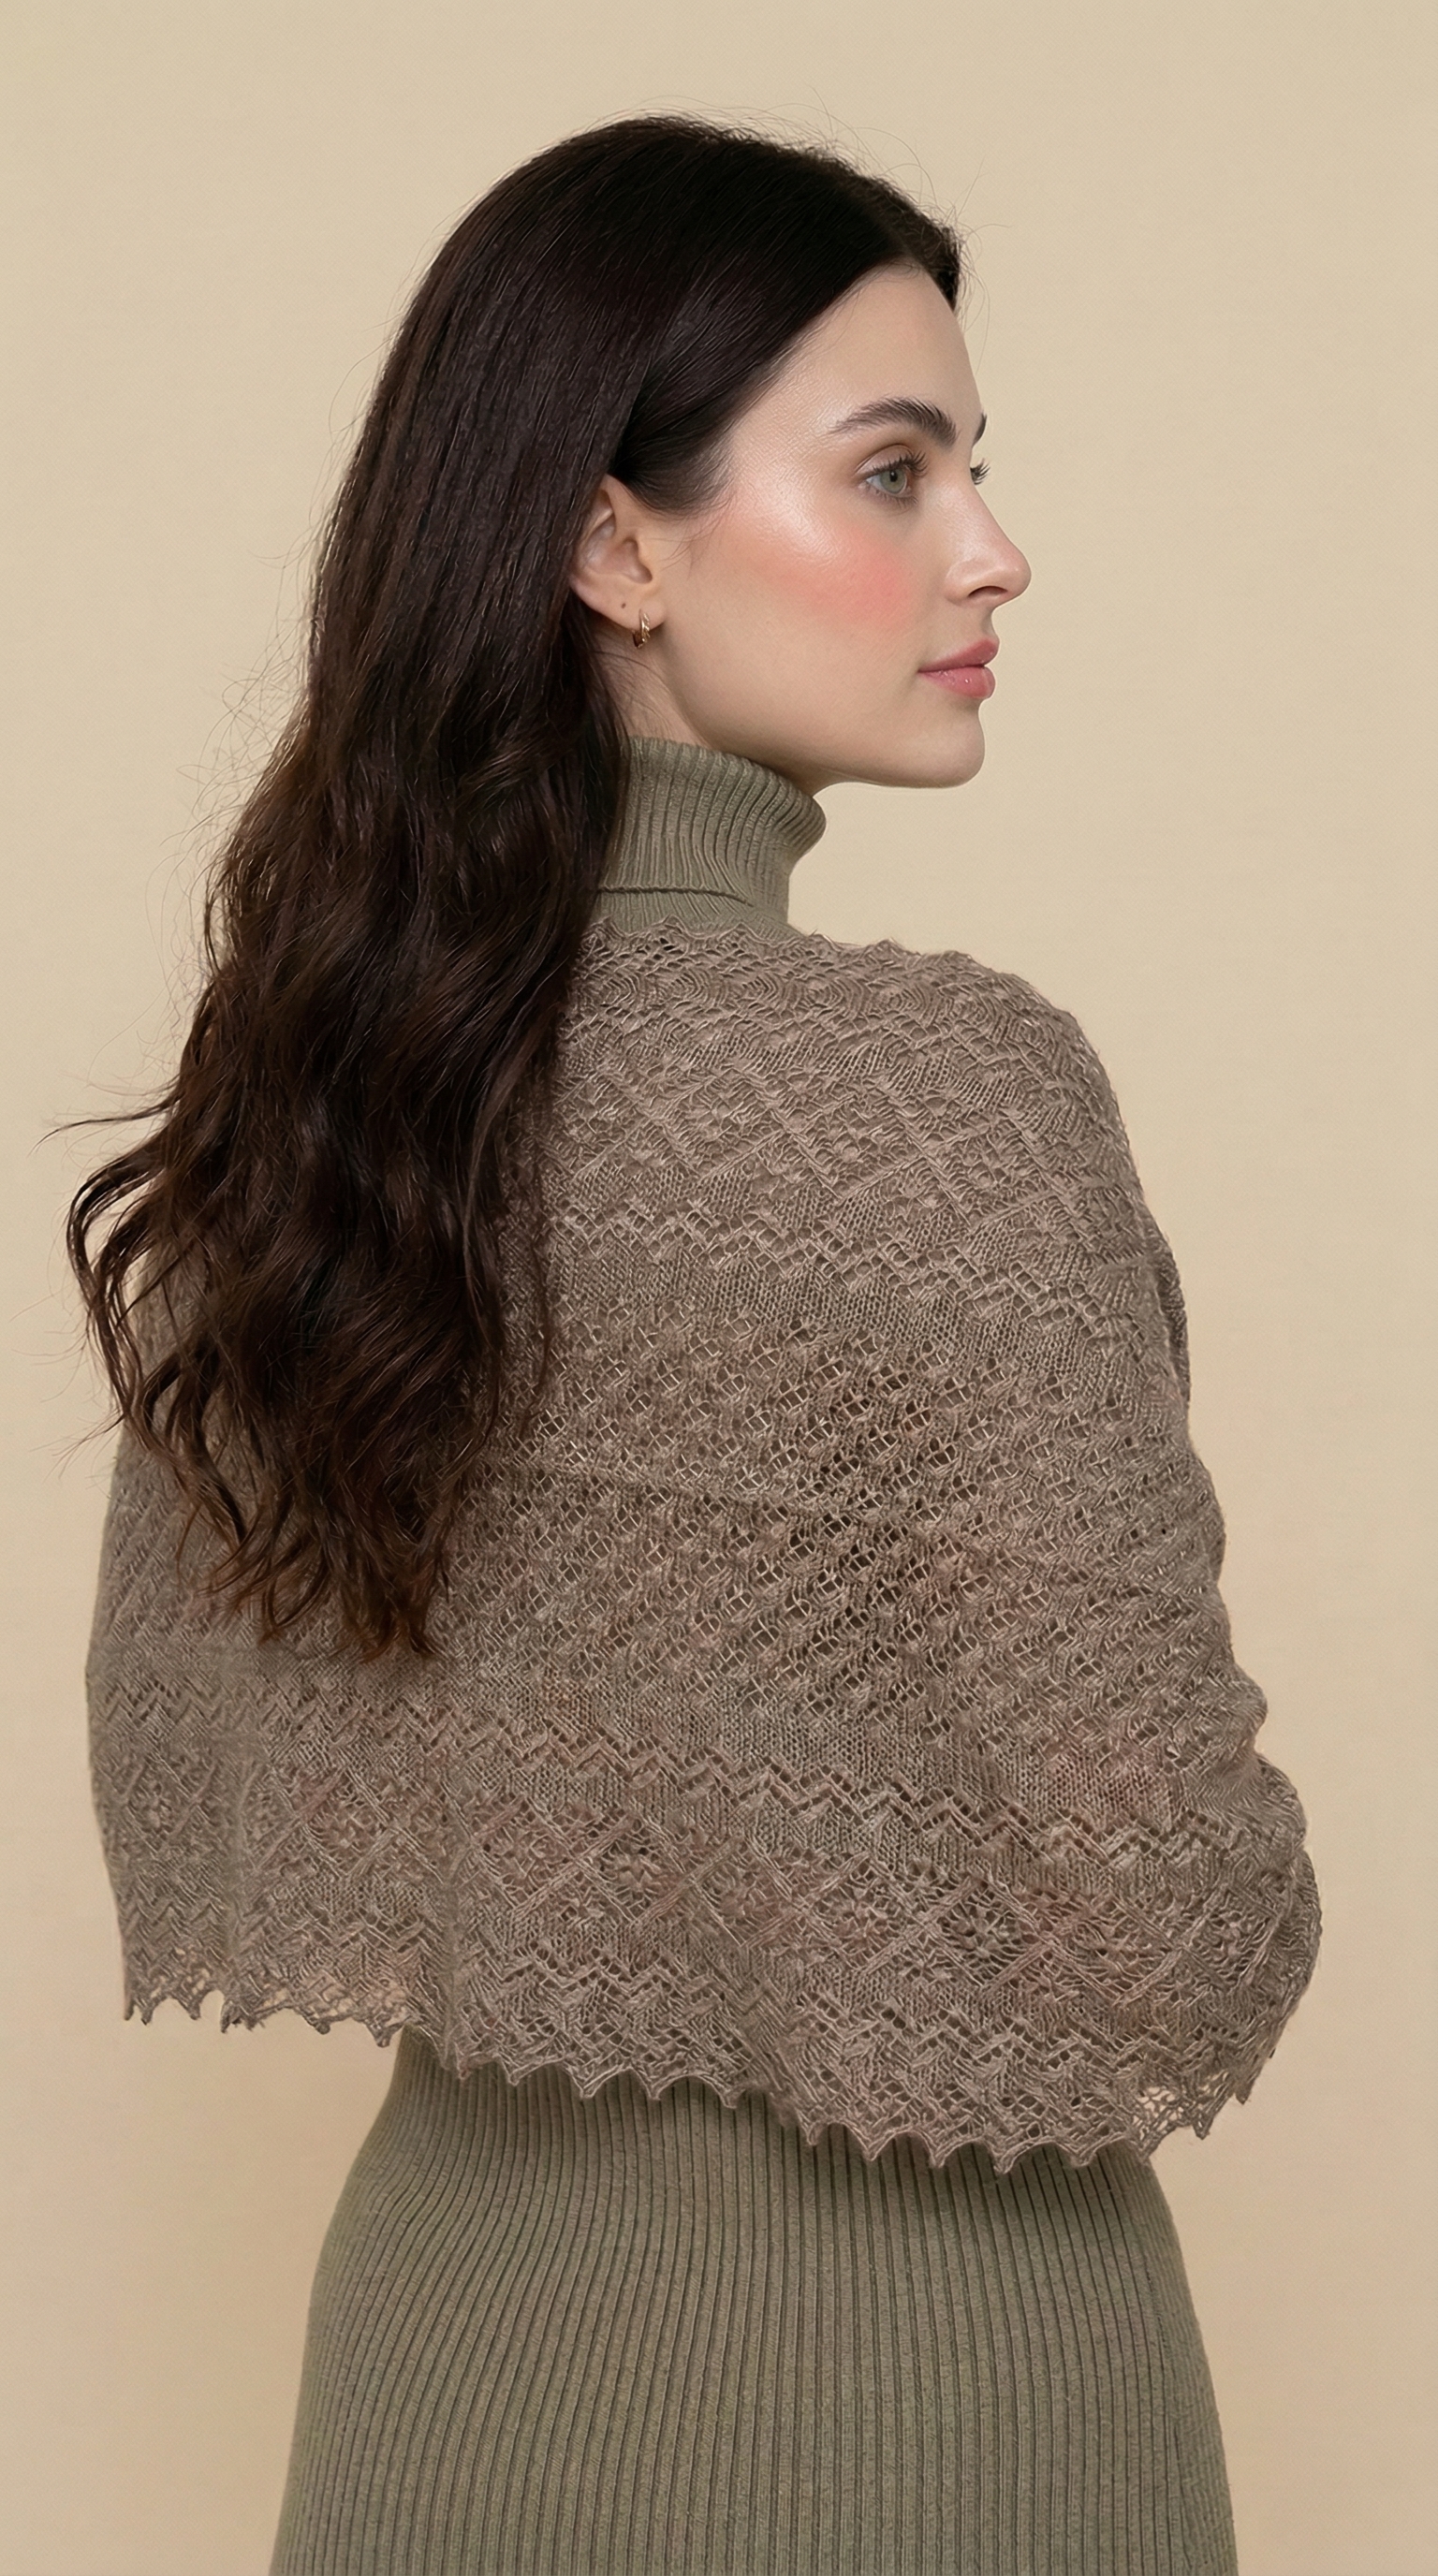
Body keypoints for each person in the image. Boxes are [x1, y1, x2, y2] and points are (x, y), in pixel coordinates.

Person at [70, 111, 1321, 2575]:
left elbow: (233, 1769)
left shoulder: (308, 1102)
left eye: (975, 470)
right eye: (895, 470)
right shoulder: (956, 1104)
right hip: (942, 2417)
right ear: (612, 543)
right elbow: (1183, 1923)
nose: (992, 550)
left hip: (443, 2393)